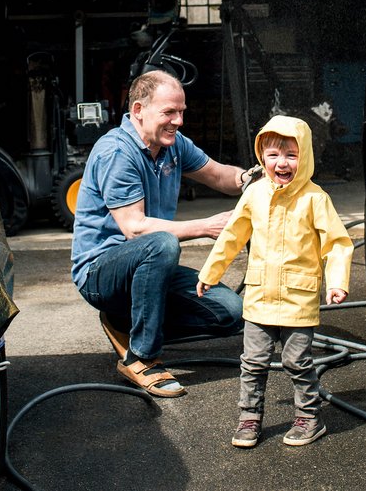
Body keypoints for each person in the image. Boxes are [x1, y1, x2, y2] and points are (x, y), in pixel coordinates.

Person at [71, 70, 253, 398]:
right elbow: (135, 227)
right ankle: (142, 357)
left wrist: (254, 180)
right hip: (100, 273)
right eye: (169, 112)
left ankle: (126, 322)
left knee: (232, 312)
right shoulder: (117, 151)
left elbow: (218, 174)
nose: (178, 121)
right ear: (139, 110)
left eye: (181, 112)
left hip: (149, 265)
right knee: (162, 244)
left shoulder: (173, 146)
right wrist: (205, 227)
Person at [196, 115, 353, 448]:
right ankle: (249, 418)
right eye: (273, 155)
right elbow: (231, 236)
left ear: (305, 157)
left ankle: (309, 418)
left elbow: (337, 243)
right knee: (252, 363)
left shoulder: (315, 198)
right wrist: (210, 273)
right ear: (261, 157)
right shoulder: (254, 194)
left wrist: (337, 281)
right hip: (259, 299)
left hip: (298, 299)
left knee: (297, 361)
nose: (282, 163)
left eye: (291, 155)